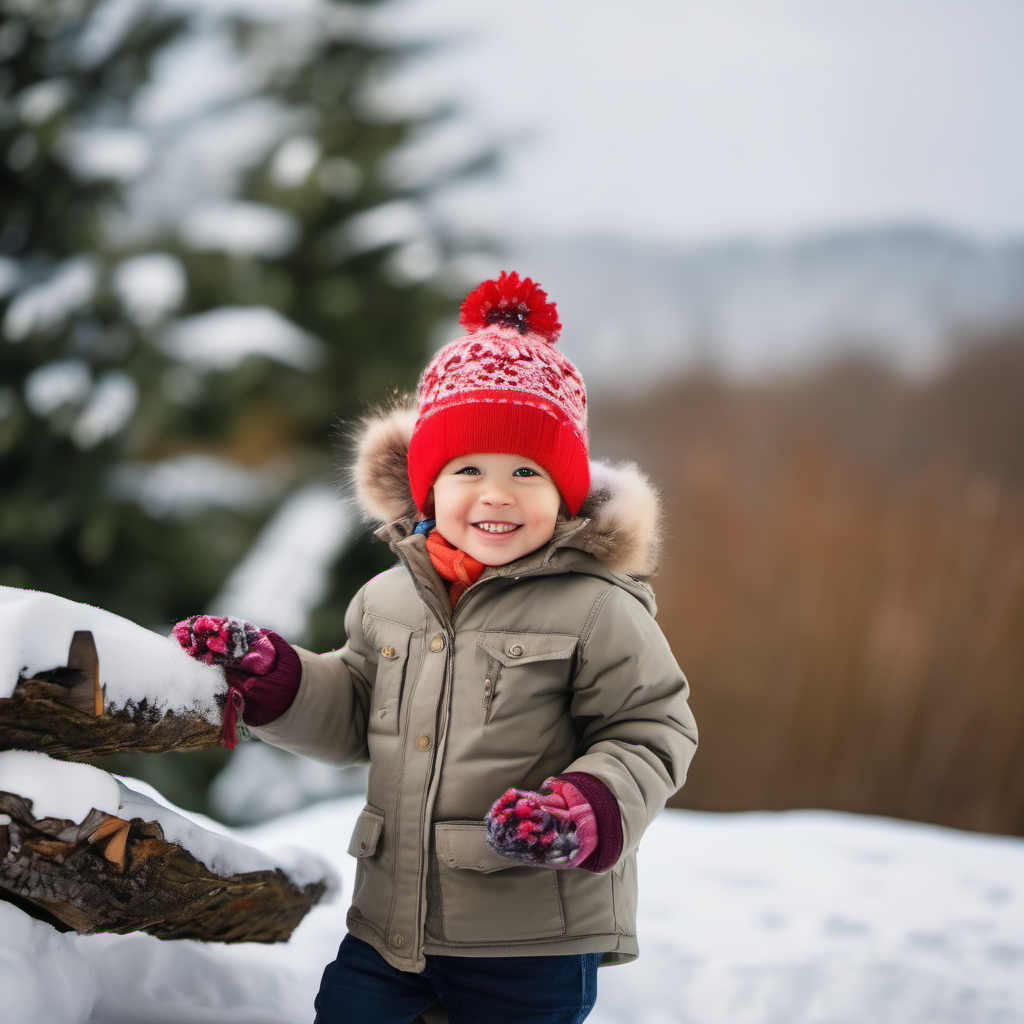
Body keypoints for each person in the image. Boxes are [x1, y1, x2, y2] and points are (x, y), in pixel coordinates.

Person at [173, 271, 698, 1024]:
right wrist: (279, 679)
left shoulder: (597, 607)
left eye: (527, 471)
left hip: (531, 940)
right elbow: (356, 713)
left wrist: (585, 808)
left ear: (566, 493)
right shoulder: (387, 600)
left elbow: (652, 729)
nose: (496, 494)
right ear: (426, 485)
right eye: (468, 470)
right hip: (389, 926)